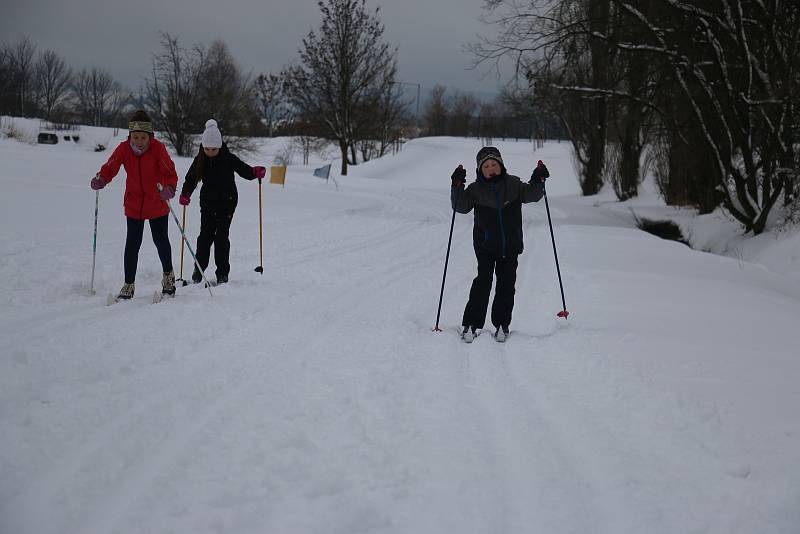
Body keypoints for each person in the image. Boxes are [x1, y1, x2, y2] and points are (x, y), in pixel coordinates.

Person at [450, 146, 549, 343]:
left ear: (501, 165)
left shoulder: (513, 184)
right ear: (480, 169)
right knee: (483, 282)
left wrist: (538, 179)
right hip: (485, 245)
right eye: (486, 166)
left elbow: (533, 194)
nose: (491, 168)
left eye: (494, 164)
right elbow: (460, 206)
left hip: (510, 246)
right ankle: (471, 324)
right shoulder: (475, 190)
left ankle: (502, 324)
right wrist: (457, 185)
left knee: (506, 285)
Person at [91, 109, 178, 299]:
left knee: (160, 241)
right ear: (130, 135)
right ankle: (128, 284)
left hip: (157, 202)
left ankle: (168, 276)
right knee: (132, 244)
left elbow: (170, 172)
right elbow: (111, 166)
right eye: (135, 137)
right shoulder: (124, 149)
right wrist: (102, 178)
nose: (139, 141)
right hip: (134, 203)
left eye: (143, 137)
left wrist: (169, 188)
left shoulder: (158, 149)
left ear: (150, 136)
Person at [178, 119, 266, 285]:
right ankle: (199, 269)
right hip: (208, 202)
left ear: (219, 146)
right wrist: (185, 193)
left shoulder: (228, 158)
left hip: (228, 201)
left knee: (221, 237)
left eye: (214, 149)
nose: (210, 151)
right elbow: (191, 178)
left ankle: (222, 273)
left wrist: (255, 172)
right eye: (207, 148)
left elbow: (243, 170)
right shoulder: (200, 159)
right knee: (205, 236)